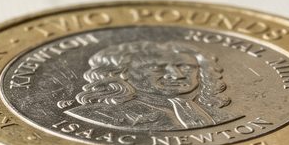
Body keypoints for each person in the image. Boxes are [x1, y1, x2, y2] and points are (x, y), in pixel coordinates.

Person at [62, 40, 242, 131]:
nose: (177, 75)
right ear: (121, 73)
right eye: (156, 68)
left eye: (185, 67)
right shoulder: (93, 117)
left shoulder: (222, 117)